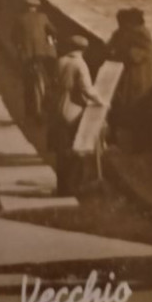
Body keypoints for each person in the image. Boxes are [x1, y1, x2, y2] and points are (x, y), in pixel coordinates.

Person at [49, 35, 102, 196]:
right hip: (73, 112)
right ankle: (72, 189)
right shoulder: (80, 64)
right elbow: (86, 89)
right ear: (84, 50)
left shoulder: (61, 61)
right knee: (74, 151)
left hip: (58, 109)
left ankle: (61, 188)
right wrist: (101, 100)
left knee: (60, 152)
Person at [105, 8, 152, 149]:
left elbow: (136, 56)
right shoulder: (123, 32)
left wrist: (120, 50)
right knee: (117, 106)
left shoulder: (142, 34)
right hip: (126, 79)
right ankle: (115, 137)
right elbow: (109, 46)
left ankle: (138, 144)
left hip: (139, 81)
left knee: (137, 112)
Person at [12, 0, 57, 122]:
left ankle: (29, 112)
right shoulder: (43, 17)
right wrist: (51, 41)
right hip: (42, 54)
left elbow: (13, 37)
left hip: (26, 56)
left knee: (27, 82)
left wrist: (19, 47)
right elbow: (53, 31)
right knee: (43, 79)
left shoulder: (19, 19)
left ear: (25, 7)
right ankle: (42, 106)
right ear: (36, 8)